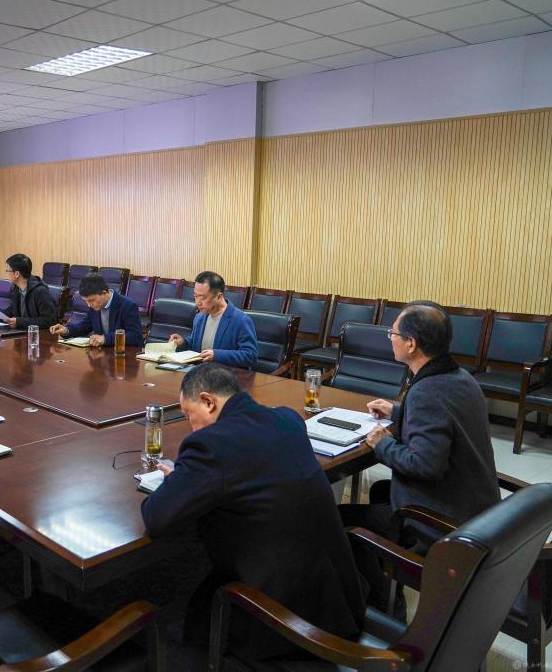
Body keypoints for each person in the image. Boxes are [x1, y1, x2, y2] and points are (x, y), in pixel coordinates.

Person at [141, 364, 365, 660]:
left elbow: (156, 517)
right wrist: (193, 478)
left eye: (188, 414)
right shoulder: (287, 418)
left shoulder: (209, 445)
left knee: (182, 632)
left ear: (208, 402)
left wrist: (183, 479)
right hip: (339, 598)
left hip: (284, 620)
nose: (190, 424)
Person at [339, 301, 500, 611]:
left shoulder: (427, 391)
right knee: (380, 491)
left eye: (393, 333)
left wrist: (383, 444)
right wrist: (399, 411)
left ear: (411, 344)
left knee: (340, 520)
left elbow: (425, 465)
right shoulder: (460, 377)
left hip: (446, 522)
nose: (390, 338)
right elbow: (443, 420)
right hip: (475, 508)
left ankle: (385, 610)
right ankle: (390, 586)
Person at [168, 271, 257, 370]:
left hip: (226, 375)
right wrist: (182, 343)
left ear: (219, 296)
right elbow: (194, 345)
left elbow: (250, 355)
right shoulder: (199, 317)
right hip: (200, 373)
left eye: (203, 297)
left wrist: (217, 355)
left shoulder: (241, 320)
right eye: (196, 296)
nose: (198, 302)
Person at [49, 273, 143, 348]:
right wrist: (66, 330)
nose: (89, 305)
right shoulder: (95, 306)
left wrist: (105, 339)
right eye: (86, 301)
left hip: (123, 356)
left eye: (91, 300)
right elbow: (85, 326)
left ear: (104, 293)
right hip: (101, 355)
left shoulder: (128, 306)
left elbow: (135, 336)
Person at [0, 253, 57, 329]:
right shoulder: (16, 289)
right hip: (22, 334)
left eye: (8, 270)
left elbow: (50, 321)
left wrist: (20, 322)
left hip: (39, 337)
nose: (7, 273)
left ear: (17, 274)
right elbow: (9, 313)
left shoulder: (40, 291)